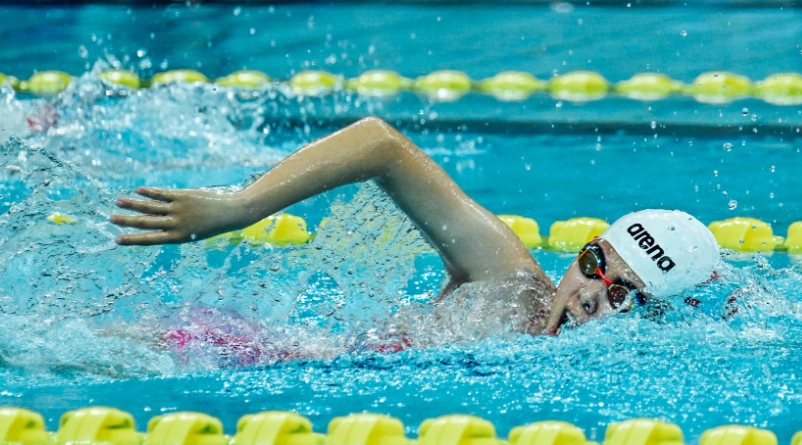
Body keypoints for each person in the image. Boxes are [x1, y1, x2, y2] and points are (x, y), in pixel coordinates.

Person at [110, 117, 719, 337]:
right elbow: (380, 145)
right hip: (237, 352)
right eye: (595, 264)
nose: (589, 293)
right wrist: (239, 208)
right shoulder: (508, 279)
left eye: (621, 294)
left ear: (653, 319)